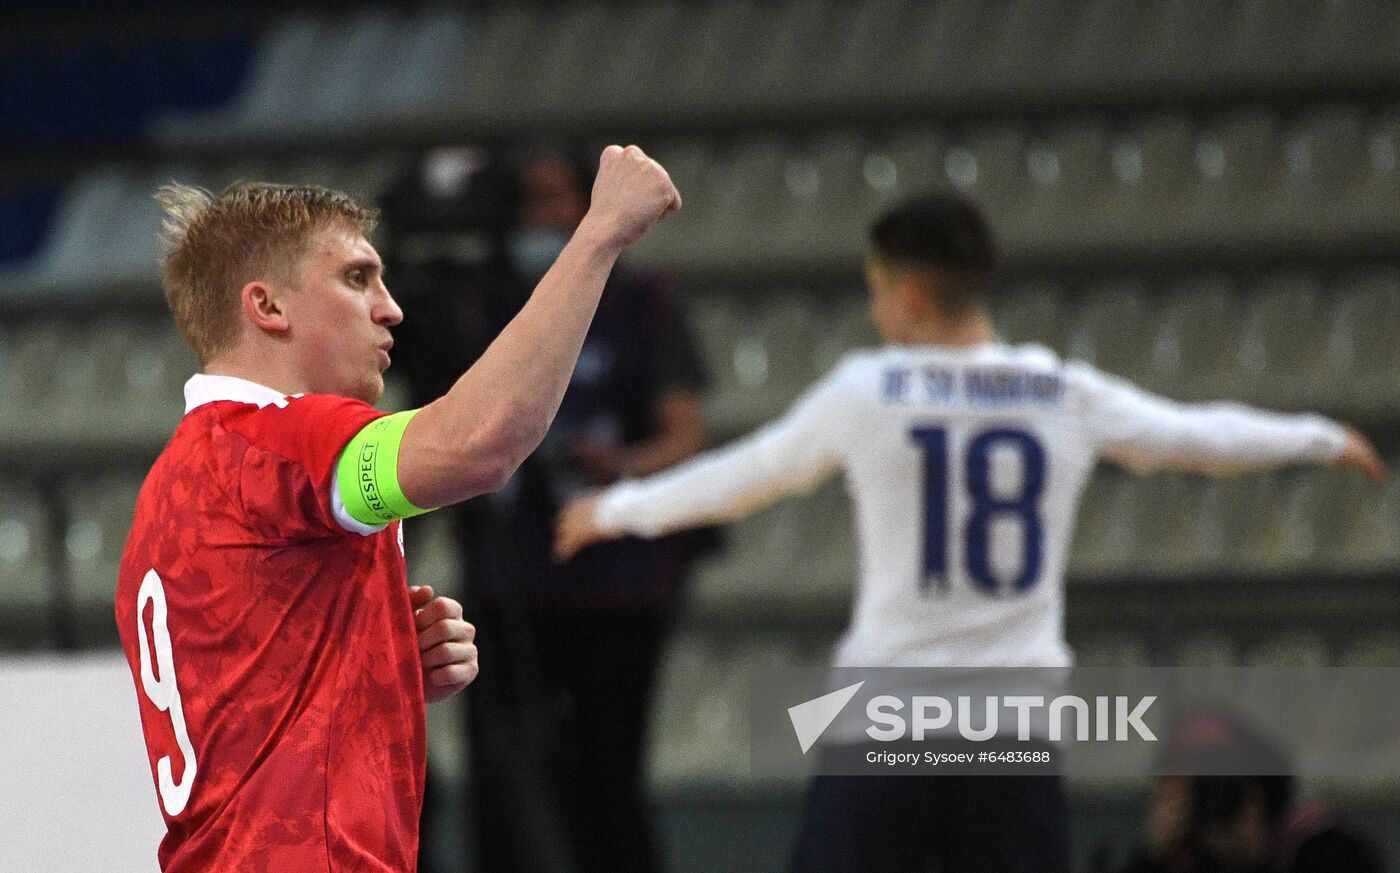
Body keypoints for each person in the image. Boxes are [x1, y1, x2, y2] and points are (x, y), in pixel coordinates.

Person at [554, 192, 1387, 873]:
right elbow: (1198, 439)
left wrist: (612, 511)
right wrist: (1319, 436)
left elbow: (743, 478)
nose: (877, 308)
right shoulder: (1059, 388)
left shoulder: (869, 389)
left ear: (909, 295)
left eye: (878, 289)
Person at [113, 144, 680, 872]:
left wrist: (375, 665)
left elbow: (249, 710)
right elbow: (480, 444)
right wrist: (599, 233)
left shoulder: (175, 487)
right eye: (357, 278)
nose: (394, 308)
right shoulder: (276, 444)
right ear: (267, 305)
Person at [389, 147, 709, 873]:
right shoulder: (480, 306)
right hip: (511, 575)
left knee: (604, 776)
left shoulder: (646, 301)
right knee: (503, 776)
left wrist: (620, 465)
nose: (543, 218)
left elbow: (686, 432)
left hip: (618, 577)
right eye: (526, 203)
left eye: (556, 197)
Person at [1108, 710, 1386, 873]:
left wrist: (1256, 858)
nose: (1213, 801)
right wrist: (1154, 854)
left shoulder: (1321, 847)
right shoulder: (1180, 857)